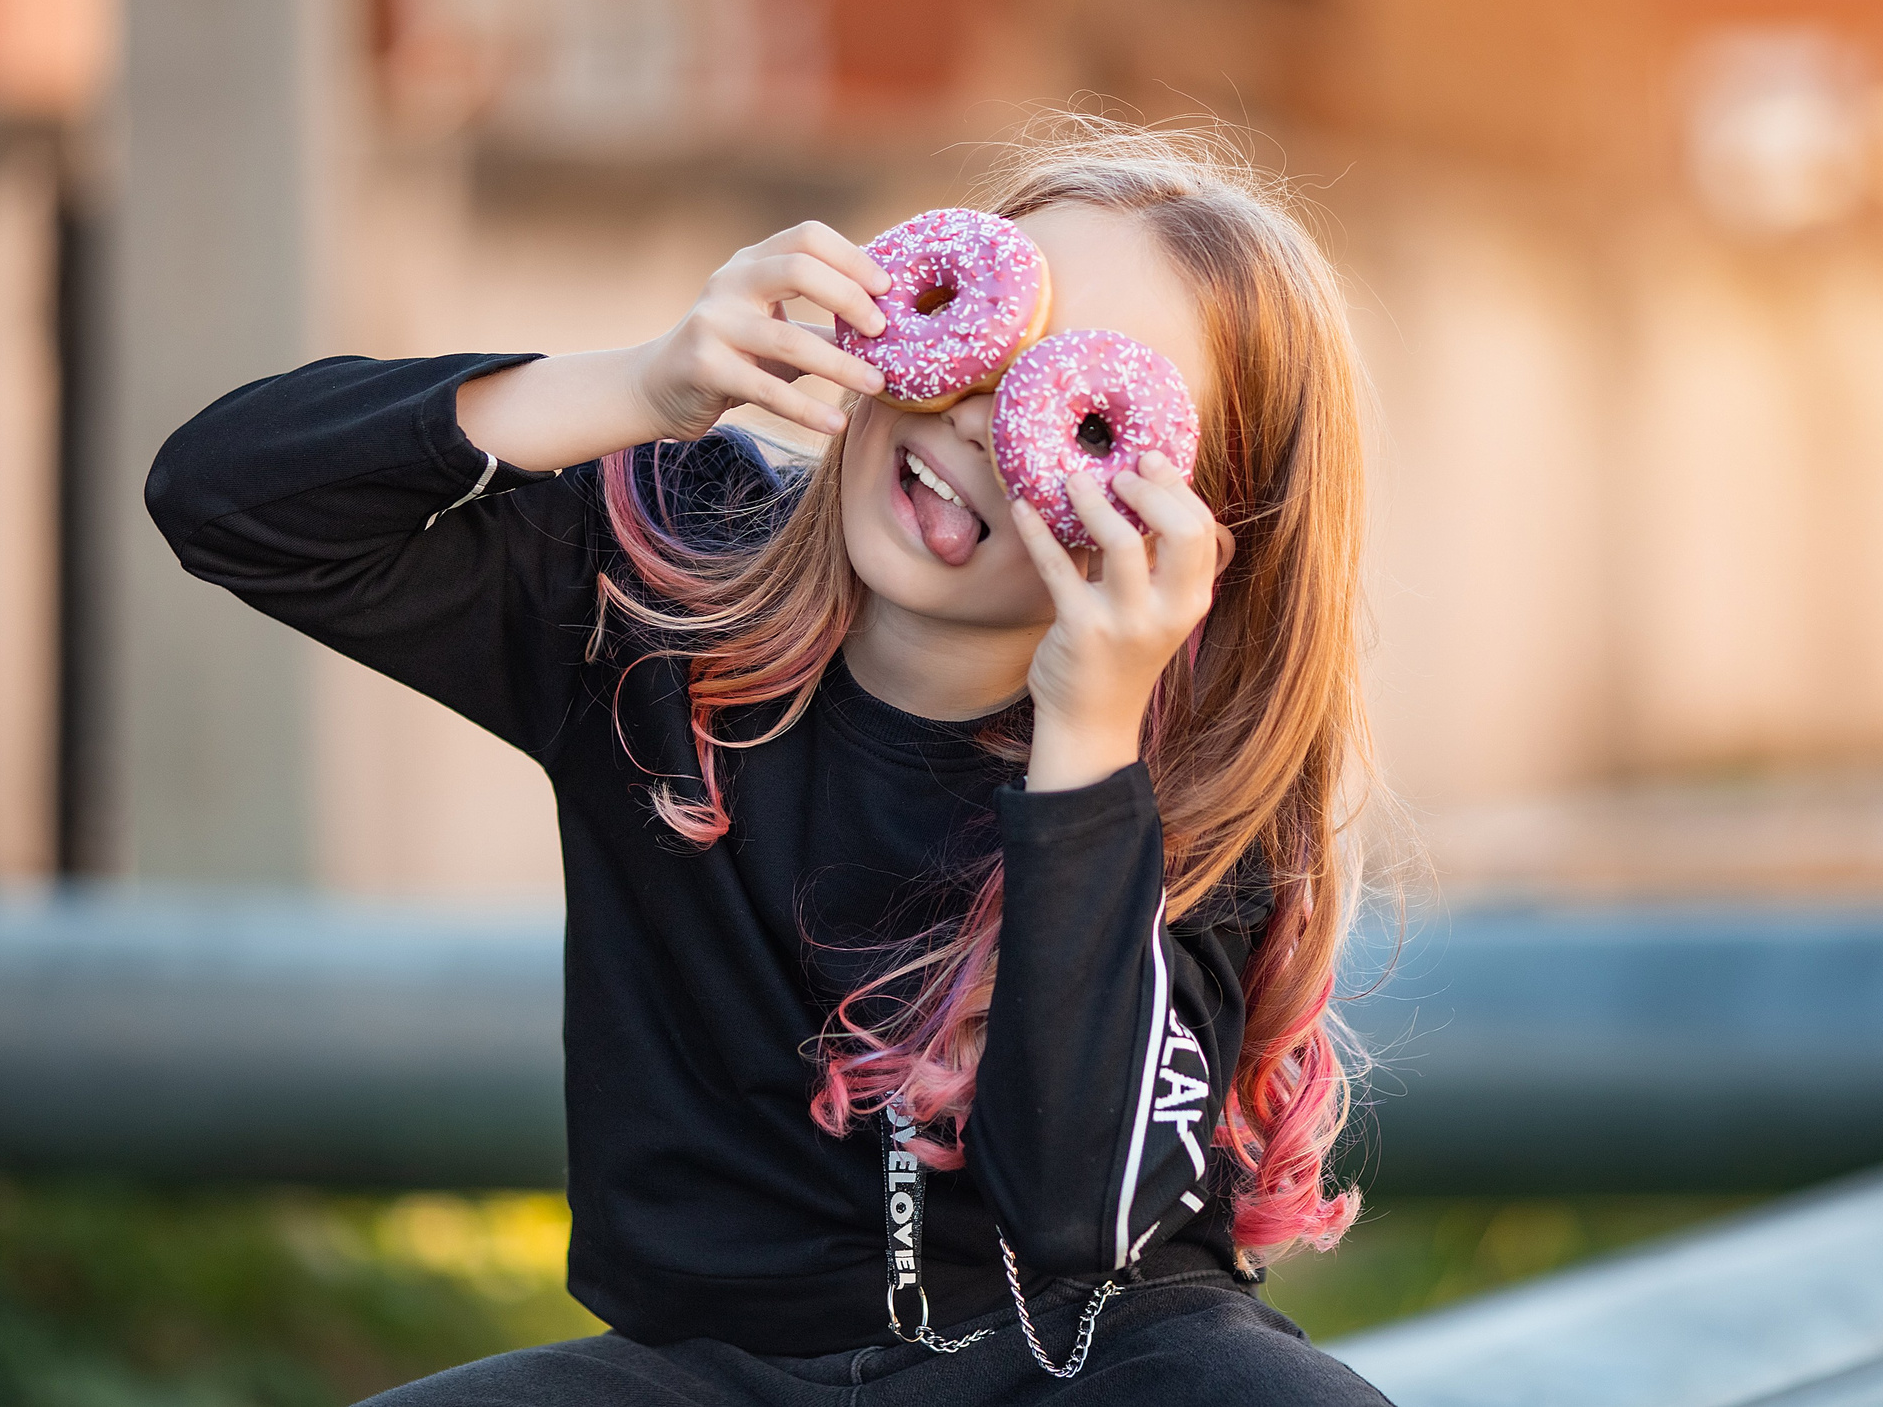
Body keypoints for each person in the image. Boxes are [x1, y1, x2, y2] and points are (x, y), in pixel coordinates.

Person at [147, 120, 1390, 1405]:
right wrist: (644, 383)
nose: (977, 416)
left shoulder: (1179, 796)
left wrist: (1086, 744)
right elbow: (224, 496)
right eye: (983, 332)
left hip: (1077, 1368)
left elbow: (1073, 1222)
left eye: (1080, 411)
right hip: (707, 1378)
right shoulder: (657, 585)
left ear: (1208, 536)